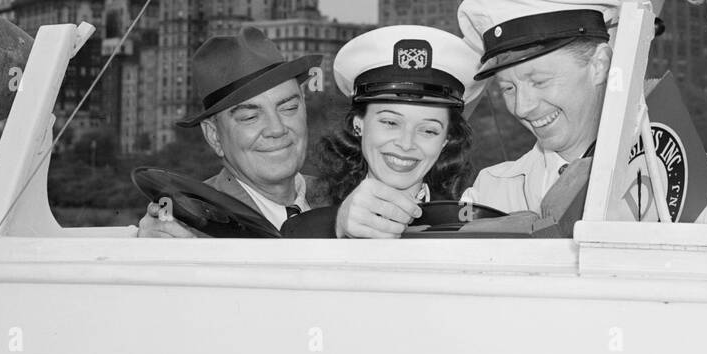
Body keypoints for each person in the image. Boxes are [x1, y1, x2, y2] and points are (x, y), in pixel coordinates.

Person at [457, 0, 707, 218]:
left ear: (599, 65)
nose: (522, 106)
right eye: (508, 88)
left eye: (539, 81)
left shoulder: (691, 178)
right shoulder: (489, 194)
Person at [294, 25, 481, 238]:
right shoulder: (305, 227)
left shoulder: (468, 229)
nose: (406, 143)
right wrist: (336, 227)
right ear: (359, 124)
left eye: (428, 130)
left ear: (446, 140)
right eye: (390, 122)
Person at [136, 26, 320, 238]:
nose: (276, 129)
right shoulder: (189, 227)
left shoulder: (345, 201)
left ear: (304, 107)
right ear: (214, 136)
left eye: (289, 108)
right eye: (250, 117)